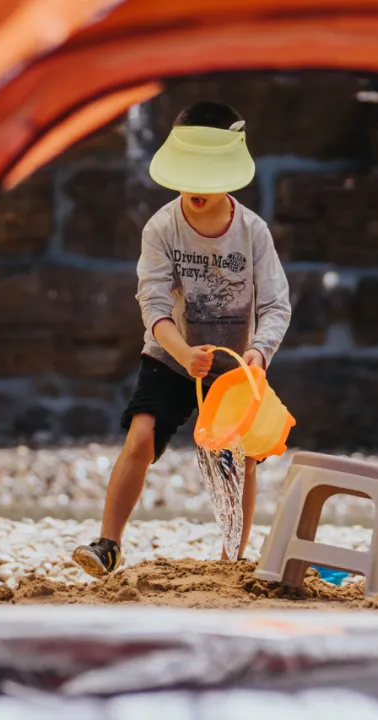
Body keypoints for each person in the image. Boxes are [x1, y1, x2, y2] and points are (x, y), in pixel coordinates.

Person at [72, 101, 291, 577]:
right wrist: (182, 352)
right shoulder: (162, 227)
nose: (195, 189)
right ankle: (108, 542)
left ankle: (233, 556)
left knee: (239, 457)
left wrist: (257, 353)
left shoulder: (252, 232)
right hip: (171, 356)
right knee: (142, 435)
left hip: (234, 365)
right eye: (187, 175)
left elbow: (276, 305)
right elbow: (151, 303)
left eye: (207, 178)